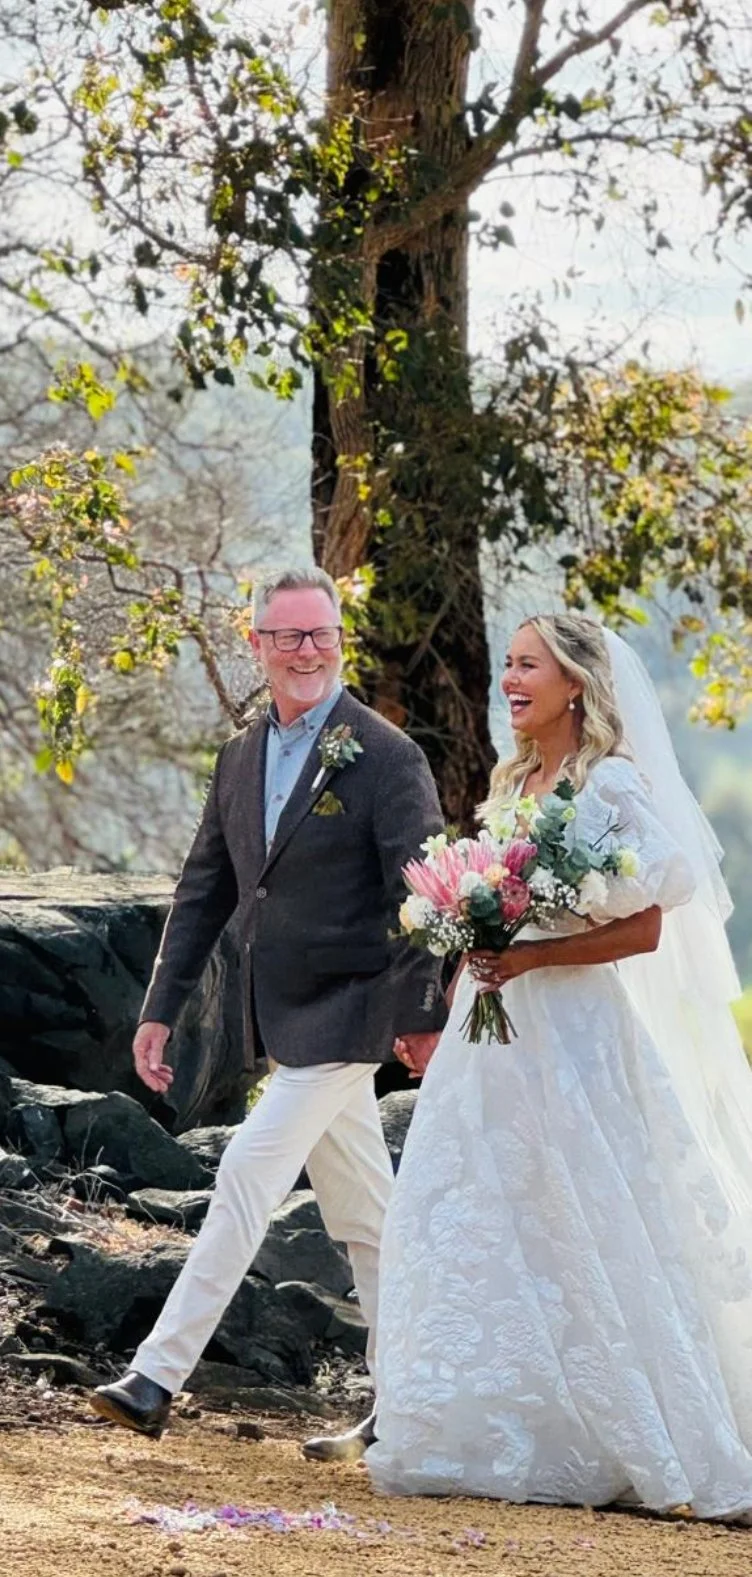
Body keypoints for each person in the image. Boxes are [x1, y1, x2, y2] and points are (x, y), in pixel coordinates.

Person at [368, 613, 752, 1522]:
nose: (509, 677)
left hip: (574, 1033)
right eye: (505, 661)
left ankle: (628, 1425)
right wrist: (468, 945)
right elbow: (497, 900)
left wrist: (532, 956)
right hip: (489, 1033)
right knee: (469, 1204)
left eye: (527, 664)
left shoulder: (609, 781)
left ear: (575, 682)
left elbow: (649, 921)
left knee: (591, 1219)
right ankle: (482, 1424)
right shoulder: (514, 781)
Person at [91, 566, 446, 1457]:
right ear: (256, 646)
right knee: (370, 1219)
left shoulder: (387, 755)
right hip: (278, 1018)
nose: (306, 650)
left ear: (339, 638)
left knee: (248, 1166)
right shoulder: (240, 754)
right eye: (286, 635)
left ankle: (155, 1375)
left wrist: (423, 1014)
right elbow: (204, 887)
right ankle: (409, 1400)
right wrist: (158, 1007)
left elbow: (425, 894)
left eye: (320, 633)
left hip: (351, 1011)